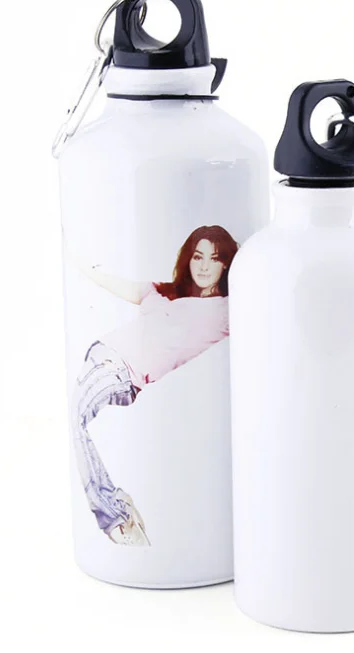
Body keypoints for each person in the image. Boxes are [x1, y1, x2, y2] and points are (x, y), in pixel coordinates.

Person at [71, 226, 238, 546]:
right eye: (198, 257)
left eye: (214, 259)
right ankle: (118, 508)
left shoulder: (228, 309)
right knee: (75, 420)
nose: (204, 266)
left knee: (75, 416)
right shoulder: (163, 292)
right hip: (100, 354)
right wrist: (74, 254)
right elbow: (107, 280)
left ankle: (117, 516)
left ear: (226, 264)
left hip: (123, 373)